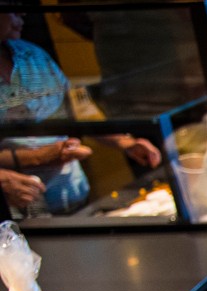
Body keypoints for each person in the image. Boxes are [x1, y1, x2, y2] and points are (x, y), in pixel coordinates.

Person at [0, 12, 160, 216]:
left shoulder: (32, 54)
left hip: (71, 194)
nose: (21, 15)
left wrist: (125, 143)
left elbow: (77, 107)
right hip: (16, 211)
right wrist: (37, 157)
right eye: (10, 9)